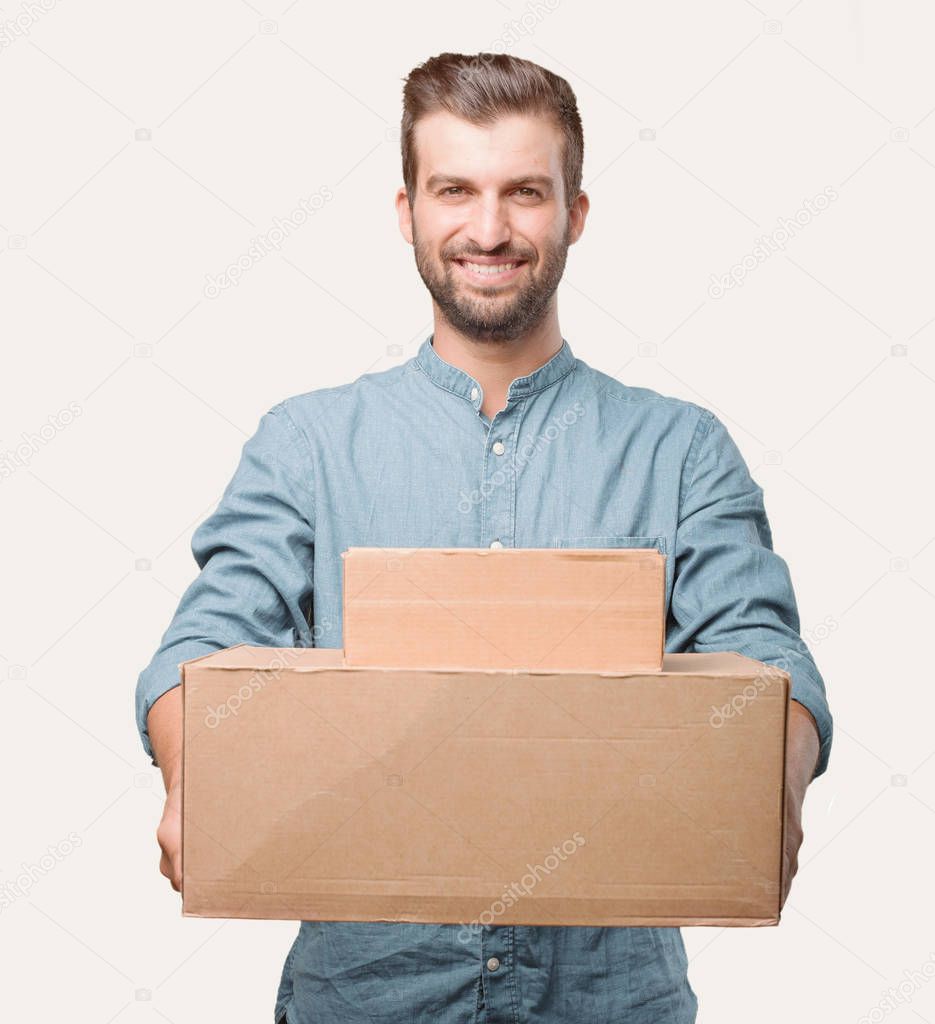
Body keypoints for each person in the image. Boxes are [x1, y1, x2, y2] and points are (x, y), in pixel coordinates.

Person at [136, 51, 832, 1024]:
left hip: (606, 1003)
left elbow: (765, 661)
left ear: (574, 212)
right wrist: (192, 779)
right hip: (363, 1000)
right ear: (407, 209)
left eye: (524, 193)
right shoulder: (307, 444)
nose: (489, 228)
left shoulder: (677, 449)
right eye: (454, 189)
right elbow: (199, 656)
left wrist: (775, 788)